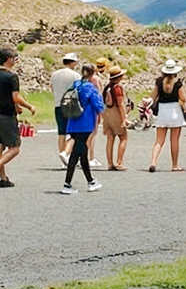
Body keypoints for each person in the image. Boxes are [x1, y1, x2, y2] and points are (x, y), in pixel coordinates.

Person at [0, 45, 35, 188]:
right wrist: (29, 106)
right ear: (7, 60)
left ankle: (3, 178)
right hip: (6, 115)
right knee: (15, 147)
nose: (15, 60)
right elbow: (16, 97)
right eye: (13, 58)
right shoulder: (11, 77)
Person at [61, 62, 105, 194]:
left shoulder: (75, 85)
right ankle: (67, 183)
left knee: (83, 151)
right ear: (92, 74)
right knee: (76, 154)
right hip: (85, 123)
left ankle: (91, 181)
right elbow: (98, 105)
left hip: (73, 122)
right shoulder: (89, 87)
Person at [148, 59, 186, 173]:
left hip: (162, 109)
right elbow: (183, 99)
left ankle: (153, 162)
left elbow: (153, 96)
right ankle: (175, 164)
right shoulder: (178, 83)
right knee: (174, 140)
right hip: (174, 110)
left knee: (159, 139)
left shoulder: (159, 82)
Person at [51, 53, 80, 165]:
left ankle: (63, 158)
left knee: (61, 133)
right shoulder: (75, 75)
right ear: (72, 62)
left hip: (58, 105)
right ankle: (67, 154)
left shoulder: (55, 74)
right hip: (71, 105)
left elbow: (52, 88)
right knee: (74, 132)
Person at [102, 65, 130, 170]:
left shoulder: (107, 87)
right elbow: (120, 104)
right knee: (123, 137)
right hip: (115, 113)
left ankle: (110, 163)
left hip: (107, 113)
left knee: (110, 138)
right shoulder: (117, 88)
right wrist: (124, 118)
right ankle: (119, 162)